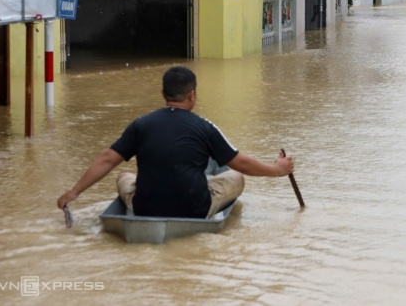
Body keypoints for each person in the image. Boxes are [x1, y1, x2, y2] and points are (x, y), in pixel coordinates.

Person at [57, 66, 294, 219]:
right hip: (194, 209)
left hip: (146, 209)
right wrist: (277, 169)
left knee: (124, 177)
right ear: (192, 95)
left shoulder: (140, 124)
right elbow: (242, 164)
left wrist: (74, 192)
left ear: (163, 94)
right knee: (236, 177)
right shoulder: (205, 126)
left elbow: (107, 159)